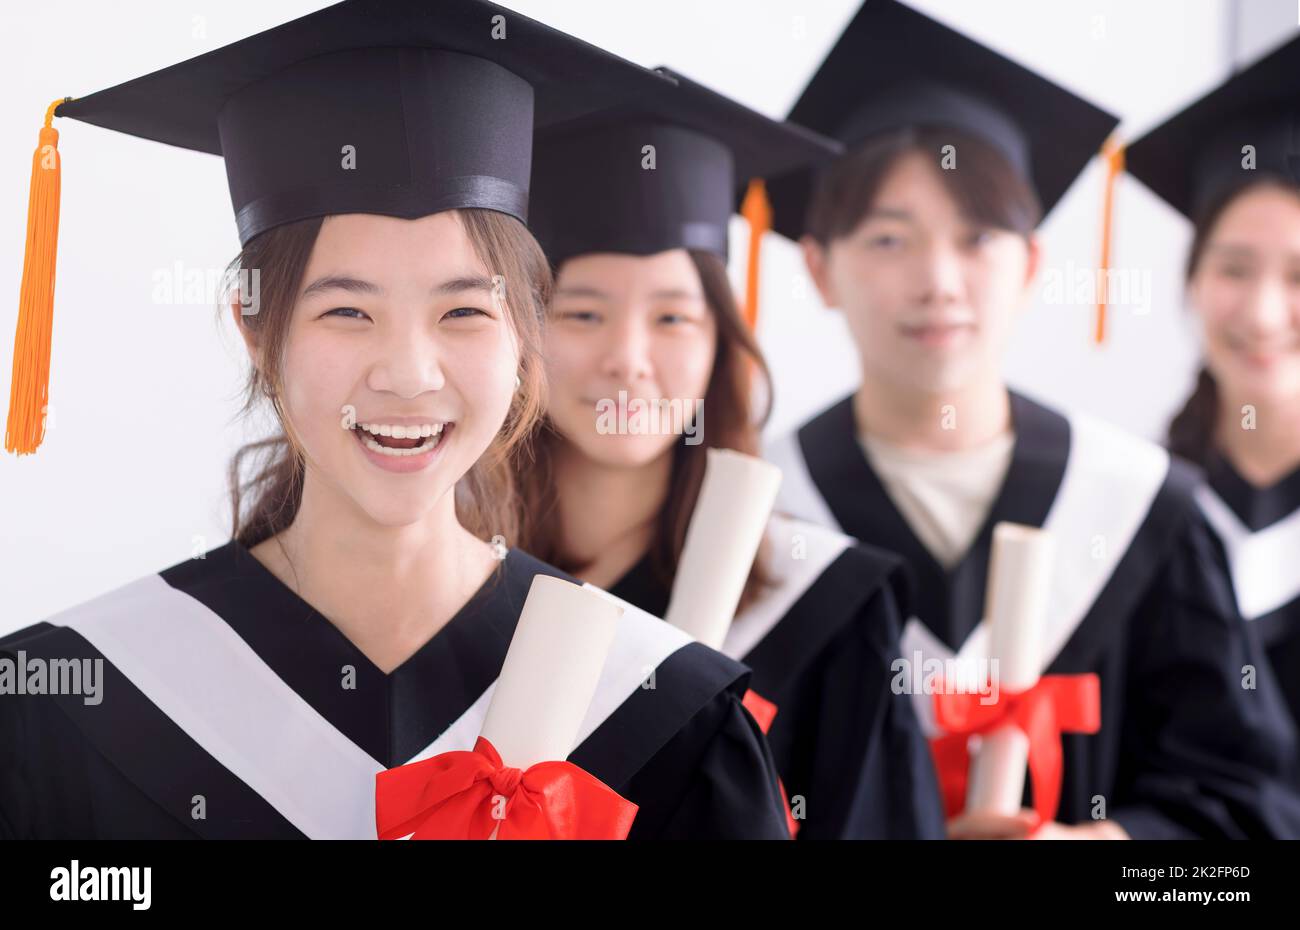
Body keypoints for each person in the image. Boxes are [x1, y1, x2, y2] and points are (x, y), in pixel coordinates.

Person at [0, 0, 790, 840]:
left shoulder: (667, 714)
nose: (409, 374)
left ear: (526, 331)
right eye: (347, 312)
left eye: (462, 314)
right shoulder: (72, 703)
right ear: (256, 330)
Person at [763, 0, 1300, 838]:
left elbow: (1248, 818)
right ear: (819, 269)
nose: (938, 280)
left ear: (1031, 266)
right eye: (888, 239)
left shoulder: (1142, 510)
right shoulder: (760, 517)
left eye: (976, 238)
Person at [517, 67, 946, 839]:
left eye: (674, 319)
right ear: (519, 334)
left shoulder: (825, 606)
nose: (629, 359)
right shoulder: (453, 586)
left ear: (722, 346)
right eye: (582, 312)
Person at [1127, 34, 1300, 802]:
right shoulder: (1131, 511)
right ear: (1192, 281)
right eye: (1233, 268)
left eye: (1299, 274)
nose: (1262, 313)